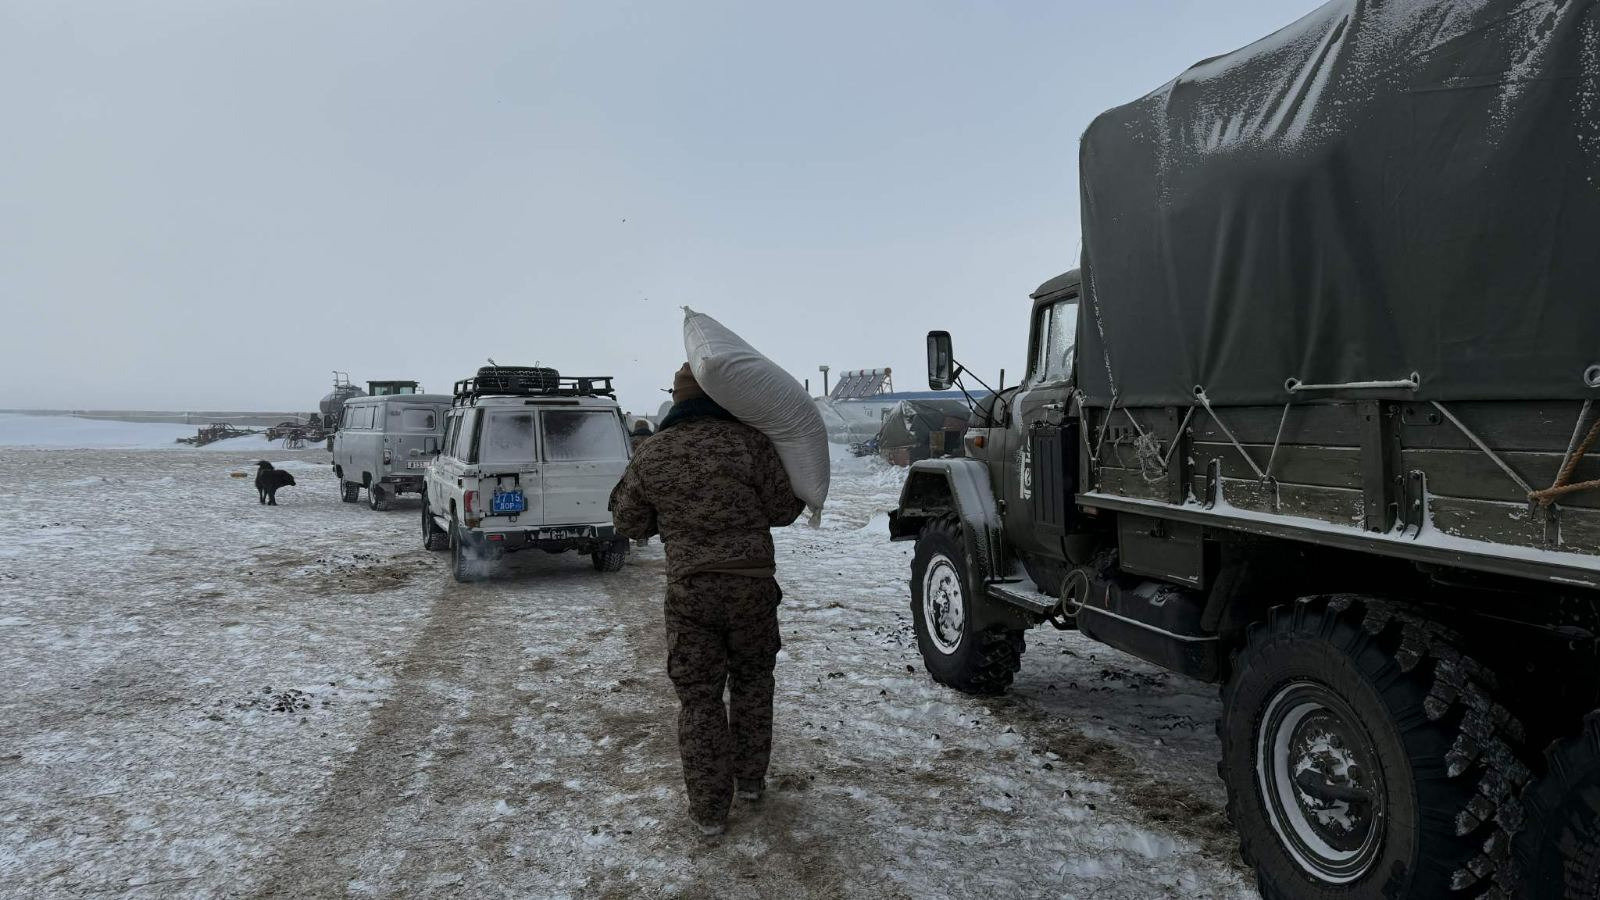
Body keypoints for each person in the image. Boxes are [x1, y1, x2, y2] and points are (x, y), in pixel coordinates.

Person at [609, 363, 804, 837]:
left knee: (699, 698)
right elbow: (785, 508)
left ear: (677, 402)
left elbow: (626, 521)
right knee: (754, 681)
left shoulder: (654, 452)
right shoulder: (750, 444)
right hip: (752, 587)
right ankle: (751, 779)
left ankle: (710, 810)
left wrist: (668, 517)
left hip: (692, 591)